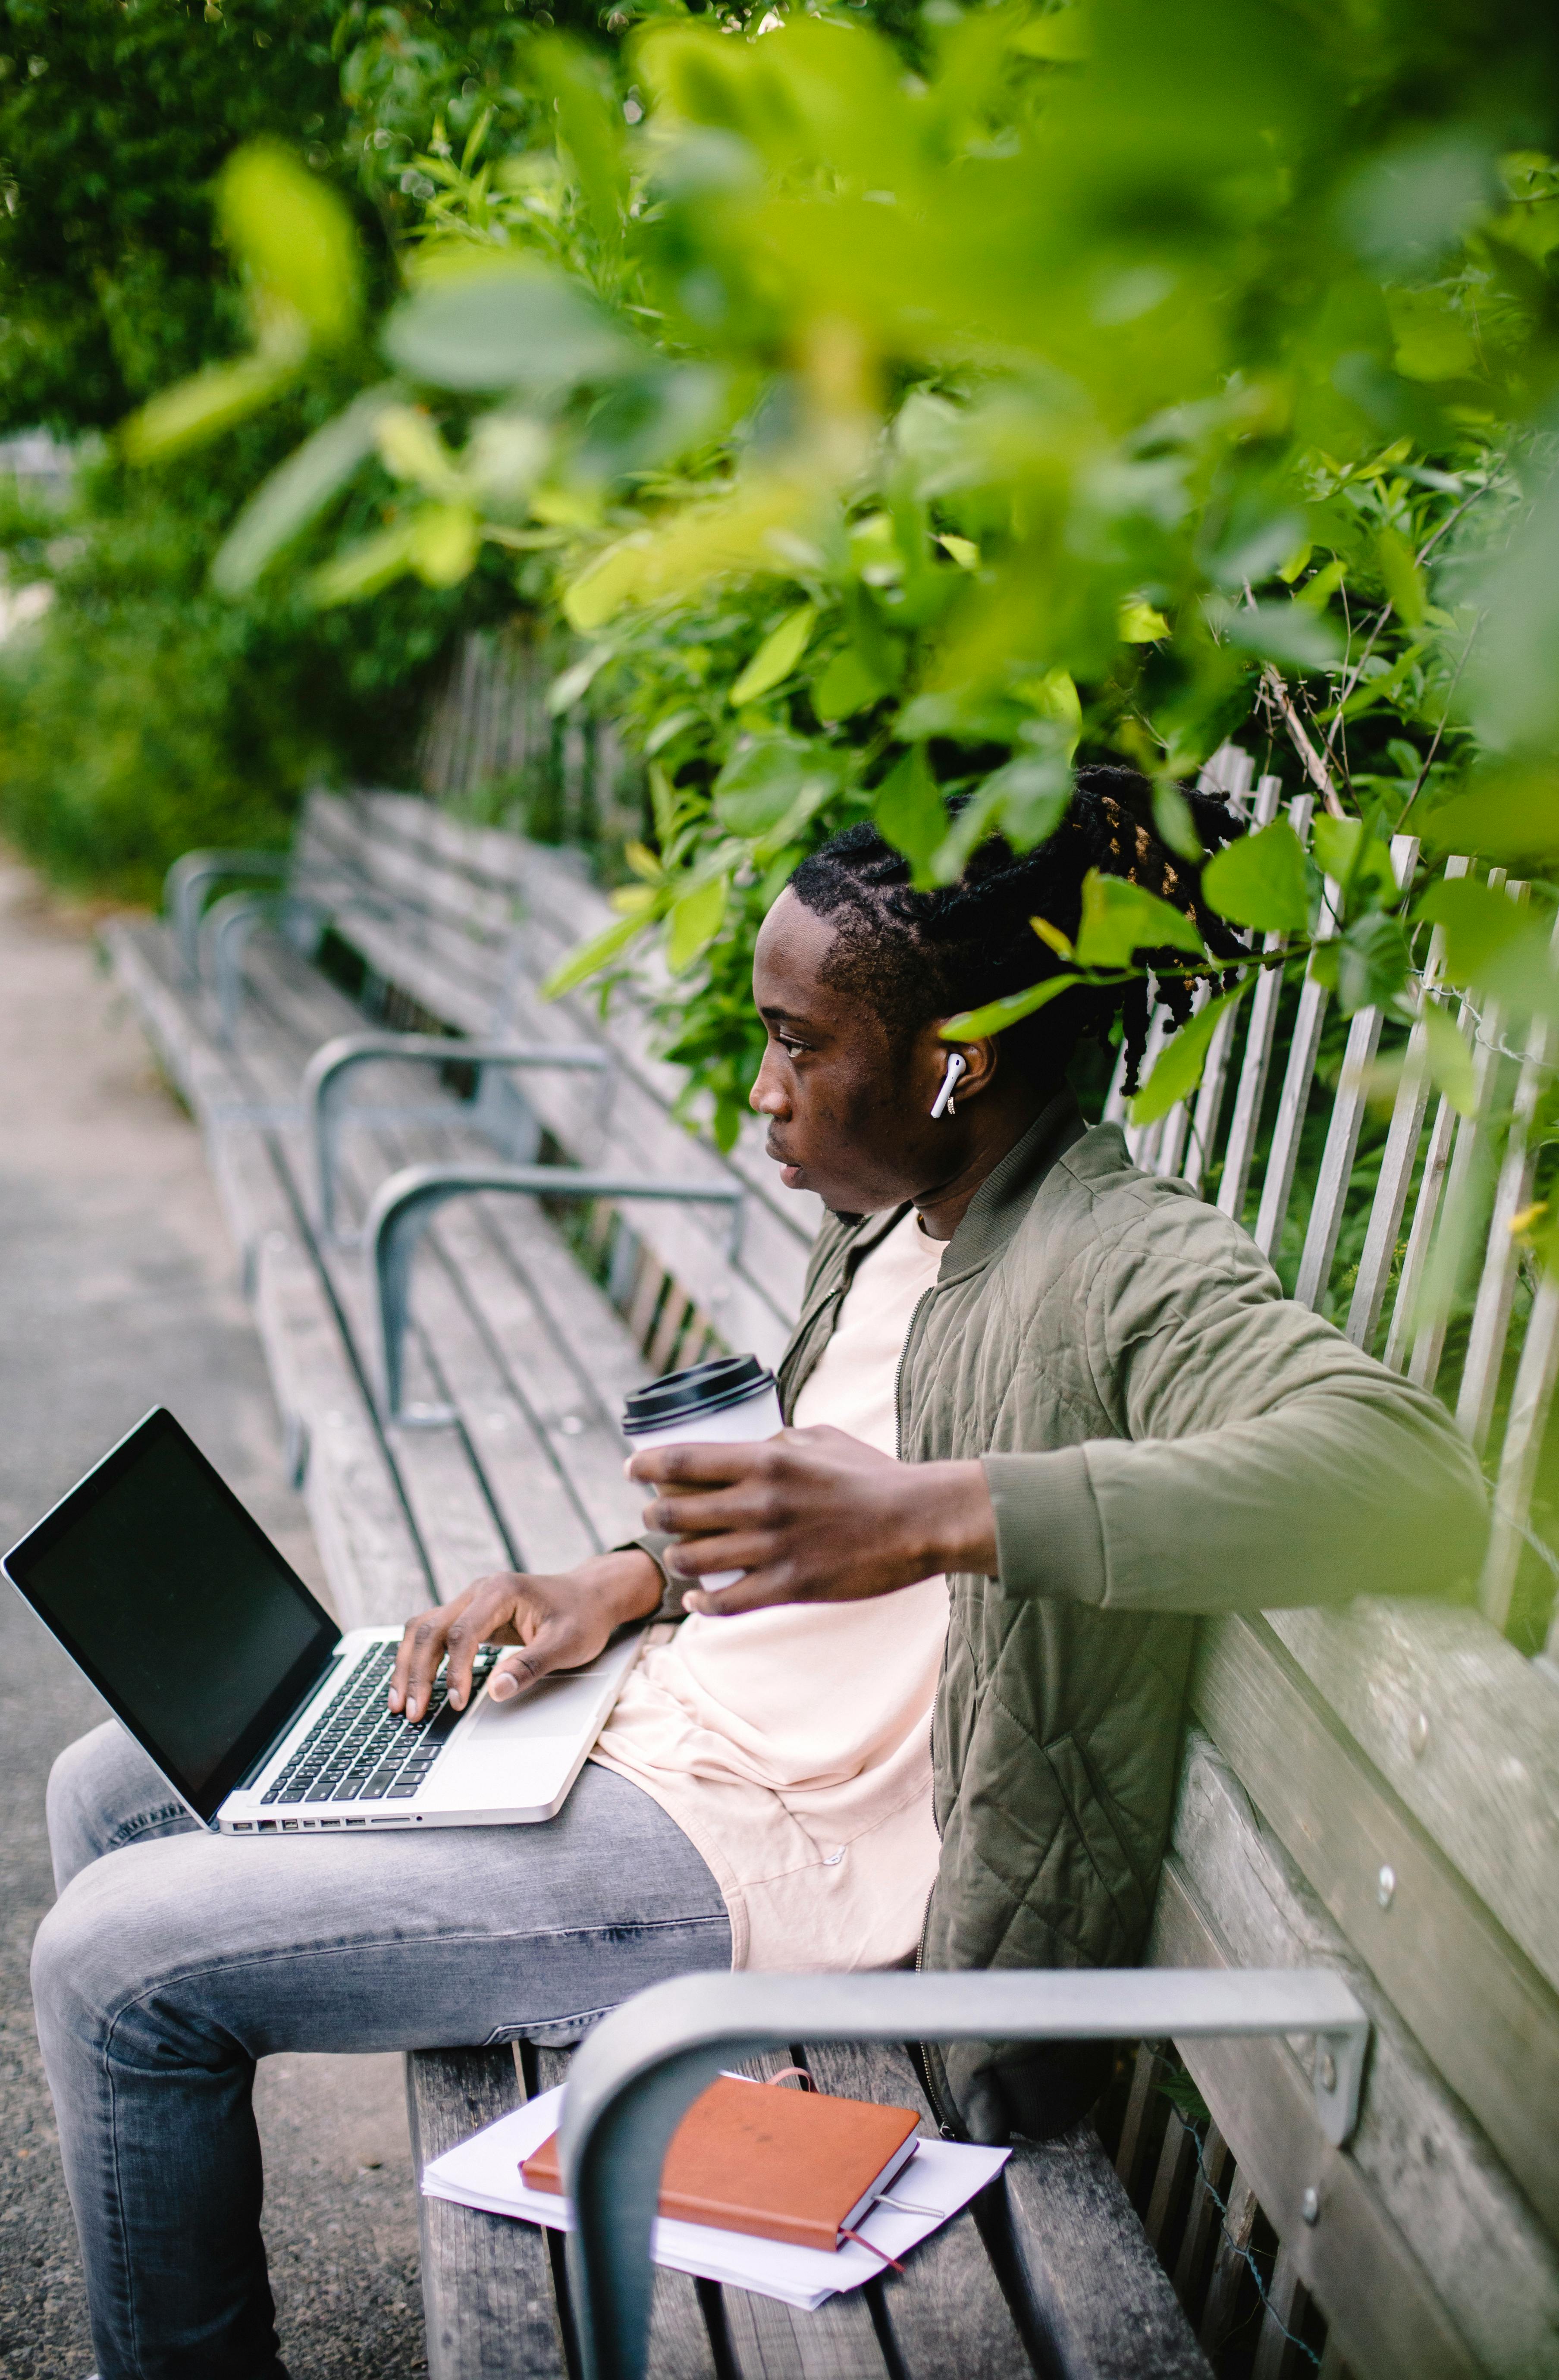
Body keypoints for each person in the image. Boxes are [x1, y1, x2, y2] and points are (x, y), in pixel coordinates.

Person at [32, 767, 1484, 2379]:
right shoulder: (893, 1211)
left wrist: (945, 1514)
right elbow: (826, 1490)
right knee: (114, 1788)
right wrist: (622, 1582)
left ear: (959, 1061)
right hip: (654, 1728)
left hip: (773, 1855)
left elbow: (1407, 1473)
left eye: (800, 1045)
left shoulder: (1119, 1255)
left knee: (115, 1971)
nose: (763, 1093)